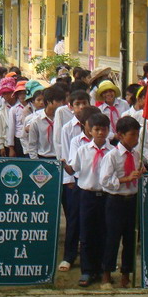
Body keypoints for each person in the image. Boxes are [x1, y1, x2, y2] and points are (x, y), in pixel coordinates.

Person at [68, 112, 113, 287]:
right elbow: (74, 169)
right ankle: (86, 271)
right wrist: (65, 166)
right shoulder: (83, 150)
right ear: (90, 131)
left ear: (109, 130)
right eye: (97, 129)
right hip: (86, 194)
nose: (100, 133)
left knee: (104, 233)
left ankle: (102, 268)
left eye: (104, 129)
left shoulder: (113, 152)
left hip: (106, 195)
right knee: (86, 233)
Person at [99, 116, 143, 288]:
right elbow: (105, 180)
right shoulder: (112, 156)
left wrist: (140, 174)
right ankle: (106, 274)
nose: (136, 138)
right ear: (120, 135)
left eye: (137, 134)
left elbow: (137, 177)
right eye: (132, 135)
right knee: (112, 238)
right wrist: (126, 179)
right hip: (115, 201)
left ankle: (126, 274)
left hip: (132, 200)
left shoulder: (137, 155)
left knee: (130, 239)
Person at [57, 105, 100, 273]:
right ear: (84, 125)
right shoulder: (77, 141)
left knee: (95, 224)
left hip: (97, 186)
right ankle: (69, 256)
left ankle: (93, 257)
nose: (96, 130)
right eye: (92, 126)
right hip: (79, 184)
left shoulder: (104, 141)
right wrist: (70, 179)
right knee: (74, 221)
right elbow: (71, 162)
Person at [26, 86, 67, 159]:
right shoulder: (36, 121)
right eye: (57, 101)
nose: (61, 104)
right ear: (48, 101)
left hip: (61, 157)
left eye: (62, 101)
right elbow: (32, 144)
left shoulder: (64, 118)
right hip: (43, 157)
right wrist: (35, 161)